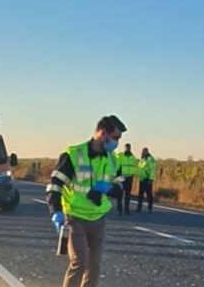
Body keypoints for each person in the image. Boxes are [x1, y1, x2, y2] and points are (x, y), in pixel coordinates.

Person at [47, 115, 126, 287]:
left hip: (98, 218)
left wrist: (108, 188)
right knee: (80, 262)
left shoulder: (113, 159)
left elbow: (120, 190)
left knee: (94, 266)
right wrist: (56, 211)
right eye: (116, 137)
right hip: (75, 217)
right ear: (103, 133)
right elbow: (55, 185)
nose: (117, 143)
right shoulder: (73, 154)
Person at [115, 143, 138, 215]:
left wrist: (133, 174)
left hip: (129, 177)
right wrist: (116, 176)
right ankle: (119, 208)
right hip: (121, 177)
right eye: (126, 148)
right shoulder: (120, 156)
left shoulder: (133, 157)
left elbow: (135, 167)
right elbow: (117, 166)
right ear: (124, 148)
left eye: (128, 148)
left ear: (130, 148)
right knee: (120, 193)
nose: (127, 149)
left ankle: (127, 210)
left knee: (128, 194)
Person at [135, 147, 156, 213]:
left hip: (147, 180)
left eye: (144, 151)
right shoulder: (142, 159)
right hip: (142, 179)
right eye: (142, 151)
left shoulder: (150, 159)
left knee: (149, 194)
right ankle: (139, 208)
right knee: (140, 194)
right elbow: (140, 168)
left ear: (147, 152)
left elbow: (152, 170)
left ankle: (150, 207)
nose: (142, 153)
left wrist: (151, 179)